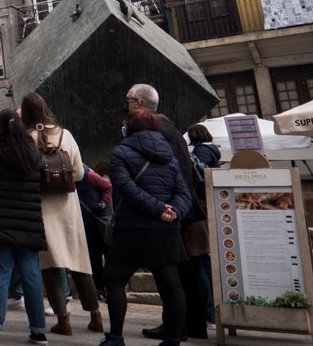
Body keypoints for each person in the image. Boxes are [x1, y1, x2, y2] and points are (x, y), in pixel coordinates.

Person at [101, 109, 191, 346]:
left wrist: (158, 208)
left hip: (134, 227)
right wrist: (174, 212)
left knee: (114, 280)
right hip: (166, 229)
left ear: (130, 127)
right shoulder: (169, 154)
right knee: (172, 284)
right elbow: (183, 191)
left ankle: (116, 337)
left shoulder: (121, 151)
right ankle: (173, 339)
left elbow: (126, 188)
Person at [127, 84, 208, 342]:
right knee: (182, 272)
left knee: (173, 273)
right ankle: (191, 324)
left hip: (171, 214)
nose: (126, 105)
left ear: (139, 103)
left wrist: (168, 210)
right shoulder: (170, 130)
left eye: (129, 100)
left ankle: (179, 326)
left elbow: (175, 176)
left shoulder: (162, 131)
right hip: (177, 211)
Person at [19, 92, 104, 335]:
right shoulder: (65, 134)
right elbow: (78, 173)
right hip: (69, 204)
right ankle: (96, 315)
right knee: (79, 261)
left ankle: (64, 320)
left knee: (50, 265)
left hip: (41, 205)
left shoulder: (27, 137)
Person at [0, 109, 50, 345]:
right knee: (31, 275)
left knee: (0, 273)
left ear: (0, 127)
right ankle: (38, 330)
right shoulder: (34, 154)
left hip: (1, 222)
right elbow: (43, 187)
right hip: (30, 223)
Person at [187, 123, 221, 325]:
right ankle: (213, 309)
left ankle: (208, 311)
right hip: (206, 209)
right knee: (205, 263)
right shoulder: (213, 149)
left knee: (199, 262)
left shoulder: (200, 151)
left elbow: (200, 177)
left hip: (197, 211)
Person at [76, 164, 113, 302]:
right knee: (93, 258)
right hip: (88, 224)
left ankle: (111, 290)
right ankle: (99, 290)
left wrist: (102, 205)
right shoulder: (71, 179)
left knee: (109, 255)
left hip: (102, 222)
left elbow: (108, 186)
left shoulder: (88, 174)